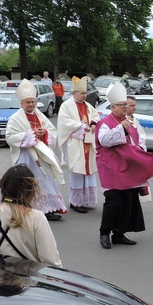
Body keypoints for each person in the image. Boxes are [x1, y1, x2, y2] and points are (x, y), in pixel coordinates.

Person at [95, 81, 153, 249]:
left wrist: (139, 149)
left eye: (125, 105)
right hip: (112, 168)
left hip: (128, 167)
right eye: (121, 105)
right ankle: (104, 233)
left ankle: (119, 233)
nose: (124, 108)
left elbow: (138, 140)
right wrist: (121, 128)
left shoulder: (128, 121)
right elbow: (104, 141)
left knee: (127, 202)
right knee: (113, 202)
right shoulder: (105, 122)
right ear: (113, 107)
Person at [0, 164, 61, 266]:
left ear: (3, 185)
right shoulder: (36, 217)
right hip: (27, 279)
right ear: (31, 189)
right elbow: (50, 260)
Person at [5, 79, 66, 221]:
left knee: (45, 180)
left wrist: (44, 133)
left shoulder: (39, 115)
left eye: (33, 102)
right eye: (28, 102)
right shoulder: (15, 118)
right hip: (26, 156)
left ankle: (47, 209)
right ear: (21, 103)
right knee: (28, 182)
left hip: (41, 154)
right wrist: (30, 135)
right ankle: (26, 208)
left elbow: (52, 130)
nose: (31, 104)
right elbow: (10, 137)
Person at [57, 77, 99, 214]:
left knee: (88, 170)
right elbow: (64, 123)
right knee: (77, 171)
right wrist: (82, 126)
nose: (84, 96)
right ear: (74, 92)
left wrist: (93, 123)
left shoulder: (87, 105)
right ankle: (75, 202)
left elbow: (95, 116)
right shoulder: (66, 105)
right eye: (82, 93)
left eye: (86, 93)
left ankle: (86, 200)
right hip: (75, 143)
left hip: (87, 142)